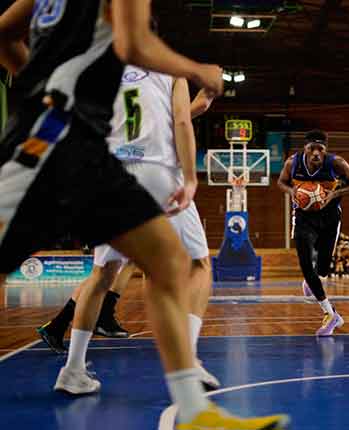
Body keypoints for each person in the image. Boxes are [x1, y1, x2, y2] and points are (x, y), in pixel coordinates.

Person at [0, 1, 287, 428]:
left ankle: (193, 412)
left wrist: (37, 85)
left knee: (165, 261)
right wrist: (198, 71)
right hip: (54, 141)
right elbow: (135, 44)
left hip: (91, 148)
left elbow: (4, 34)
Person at [49, 63, 220, 393]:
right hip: (156, 172)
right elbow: (179, 121)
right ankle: (188, 361)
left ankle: (72, 370)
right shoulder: (170, 71)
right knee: (199, 266)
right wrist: (190, 176)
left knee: (102, 275)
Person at [277, 129, 349, 335]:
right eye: (311, 148)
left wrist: (334, 194)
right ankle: (330, 314)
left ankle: (315, 281)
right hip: (304, 217)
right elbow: (281, 182)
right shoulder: (292, 163)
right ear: (305, 149)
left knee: (322, 270)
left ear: (325, 151)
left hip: (330, 217)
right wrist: (292, 191)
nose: (315, 153)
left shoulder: (336, 163)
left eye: (320, 149)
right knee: (305, 262)